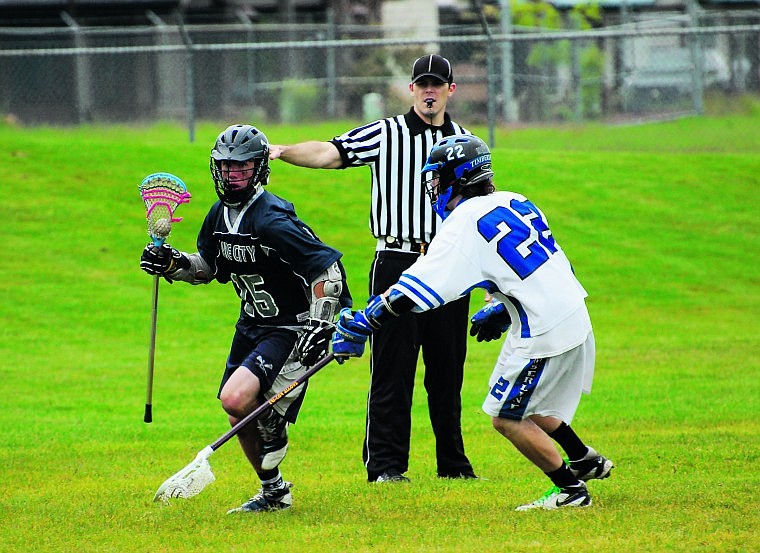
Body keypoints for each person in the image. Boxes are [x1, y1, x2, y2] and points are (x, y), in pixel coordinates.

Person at [330, 134, 614, 510]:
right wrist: (501, 305)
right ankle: (583, 458)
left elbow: (415, 288)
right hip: (573, 313)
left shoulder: (463, 221)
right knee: (531, 403)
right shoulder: (515, 200)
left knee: (506, 416)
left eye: (437, 178)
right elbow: (552, 264)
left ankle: (571, 490)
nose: (433, 187)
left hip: (544, 328)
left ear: (456, 177)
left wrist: (367, 319)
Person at [268, 54, 476, 483]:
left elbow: (480, 209)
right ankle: (386, 466)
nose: (430, 91)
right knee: (392, 368)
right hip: (398, 259)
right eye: (422, 84)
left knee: (447, 371)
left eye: (438, 84)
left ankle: (453, 465)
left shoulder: (465, 140)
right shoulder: (387, 133)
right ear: (412, 89)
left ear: (451, 90)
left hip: (452, 264)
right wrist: (282, 151)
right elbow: (331, 153)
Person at [139, 124, 352, 513]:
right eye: (225, 167)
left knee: (238, 397)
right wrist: (172, 263)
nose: (232, 174)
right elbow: (207, 267)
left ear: (259, 169)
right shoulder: (218, 215)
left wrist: (322, 324)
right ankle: (274, 492)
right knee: (235, 407)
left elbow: (327, 270)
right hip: (251, 325)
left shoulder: (272, 219)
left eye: (243, 166)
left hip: (290, 326)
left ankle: (273, 424)